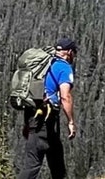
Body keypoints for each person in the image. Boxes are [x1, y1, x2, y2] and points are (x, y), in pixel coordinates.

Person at [19, 37, 78, 179]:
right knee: (33, 166)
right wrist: (71, 122)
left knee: (56, 161)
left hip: (34, 115)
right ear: (69, 52)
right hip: (46, 120)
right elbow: (65, 97)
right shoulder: (64, 67)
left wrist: (28, 124)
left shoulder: (45, 63)